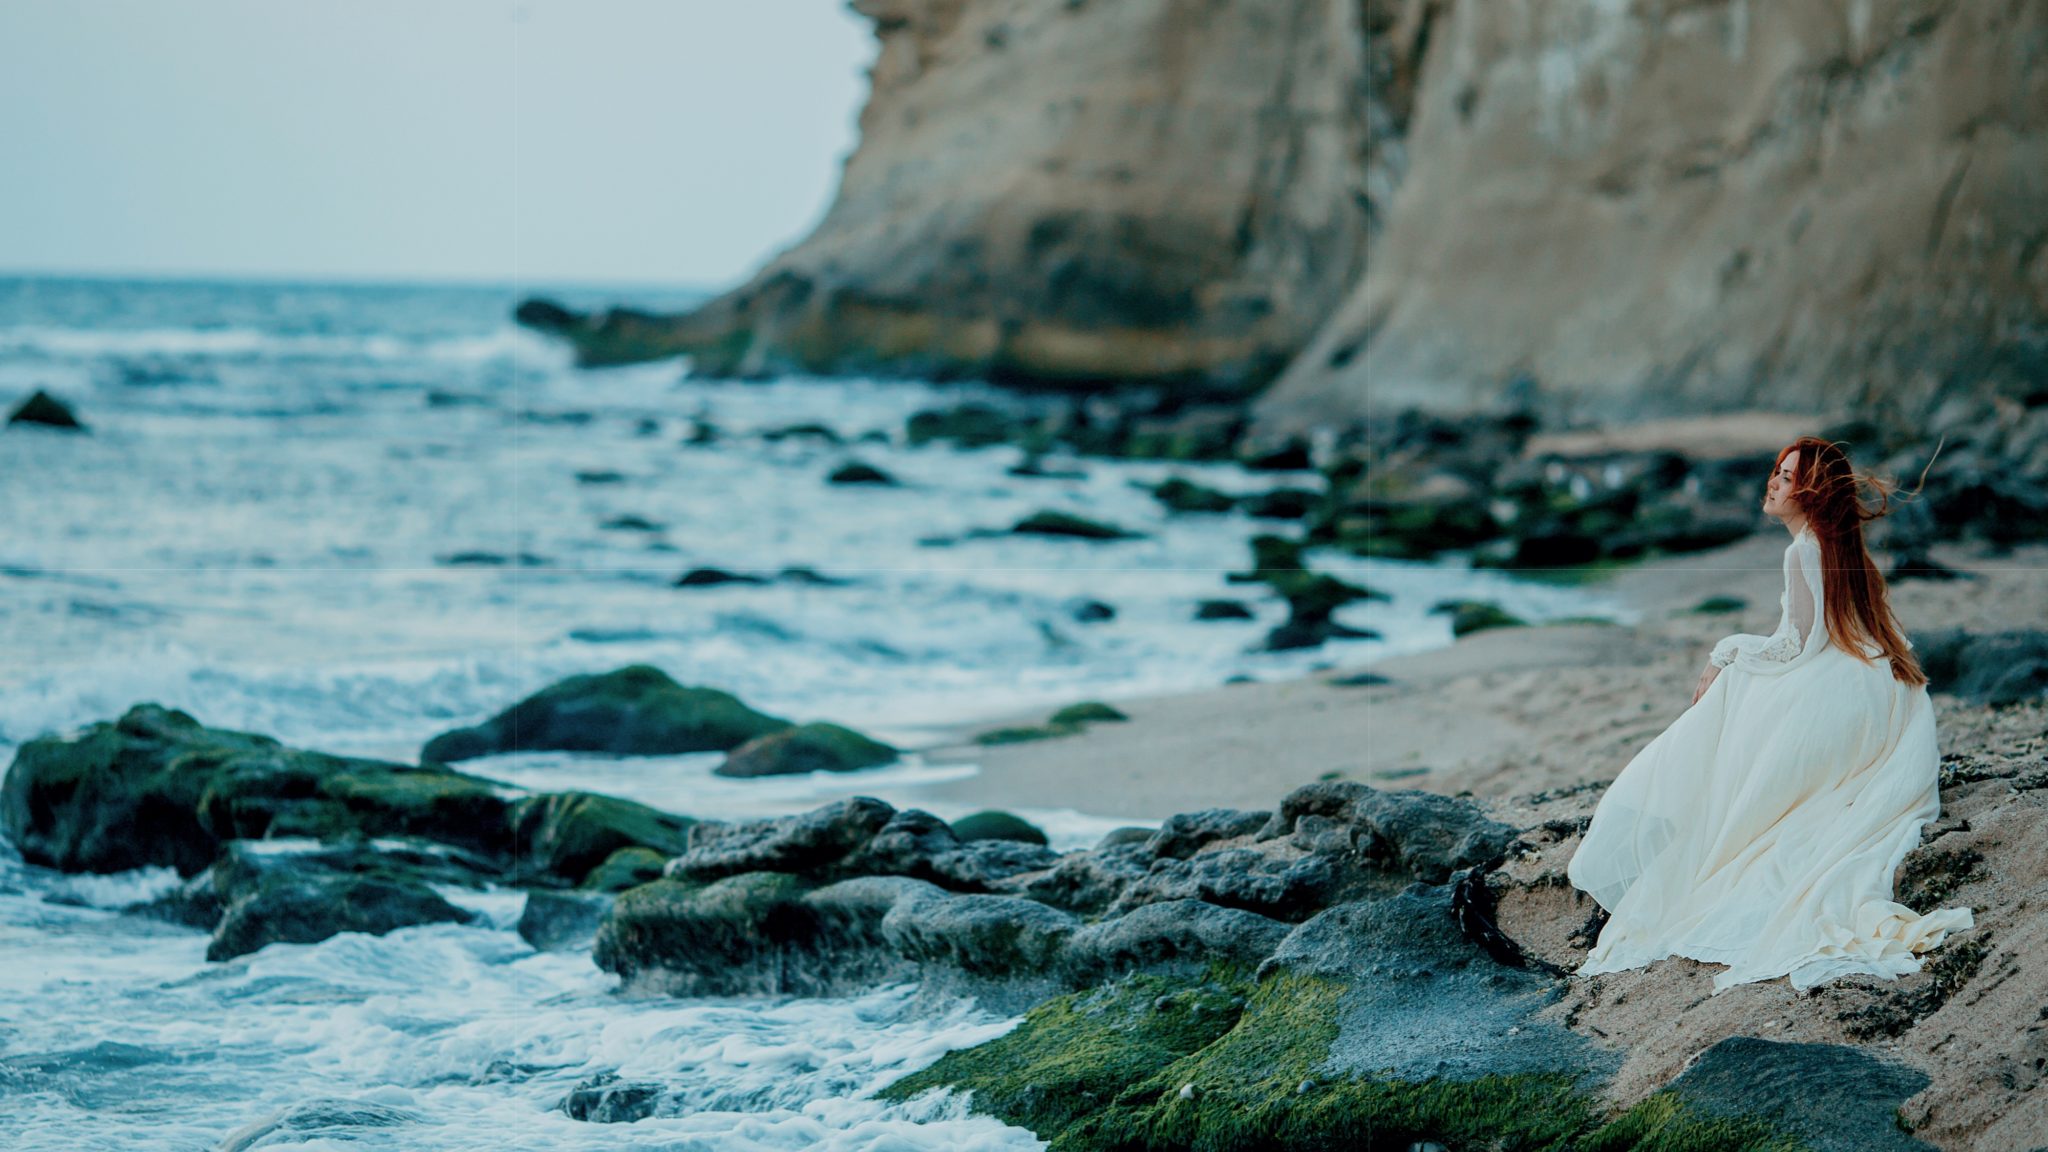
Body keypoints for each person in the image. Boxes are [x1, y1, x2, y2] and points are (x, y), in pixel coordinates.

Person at [1566, 437, 1974, 993]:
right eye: (1776, 473)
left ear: (1808, 494)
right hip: (1880, 688)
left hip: (1850, 695)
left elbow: (1798, 646)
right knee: (1745, 686)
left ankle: (1703, 821)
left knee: (1735, 688)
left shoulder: (1804, 549)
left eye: (1785, 478)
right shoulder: (1834, 545)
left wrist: (1724, 650)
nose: (1772, 483)